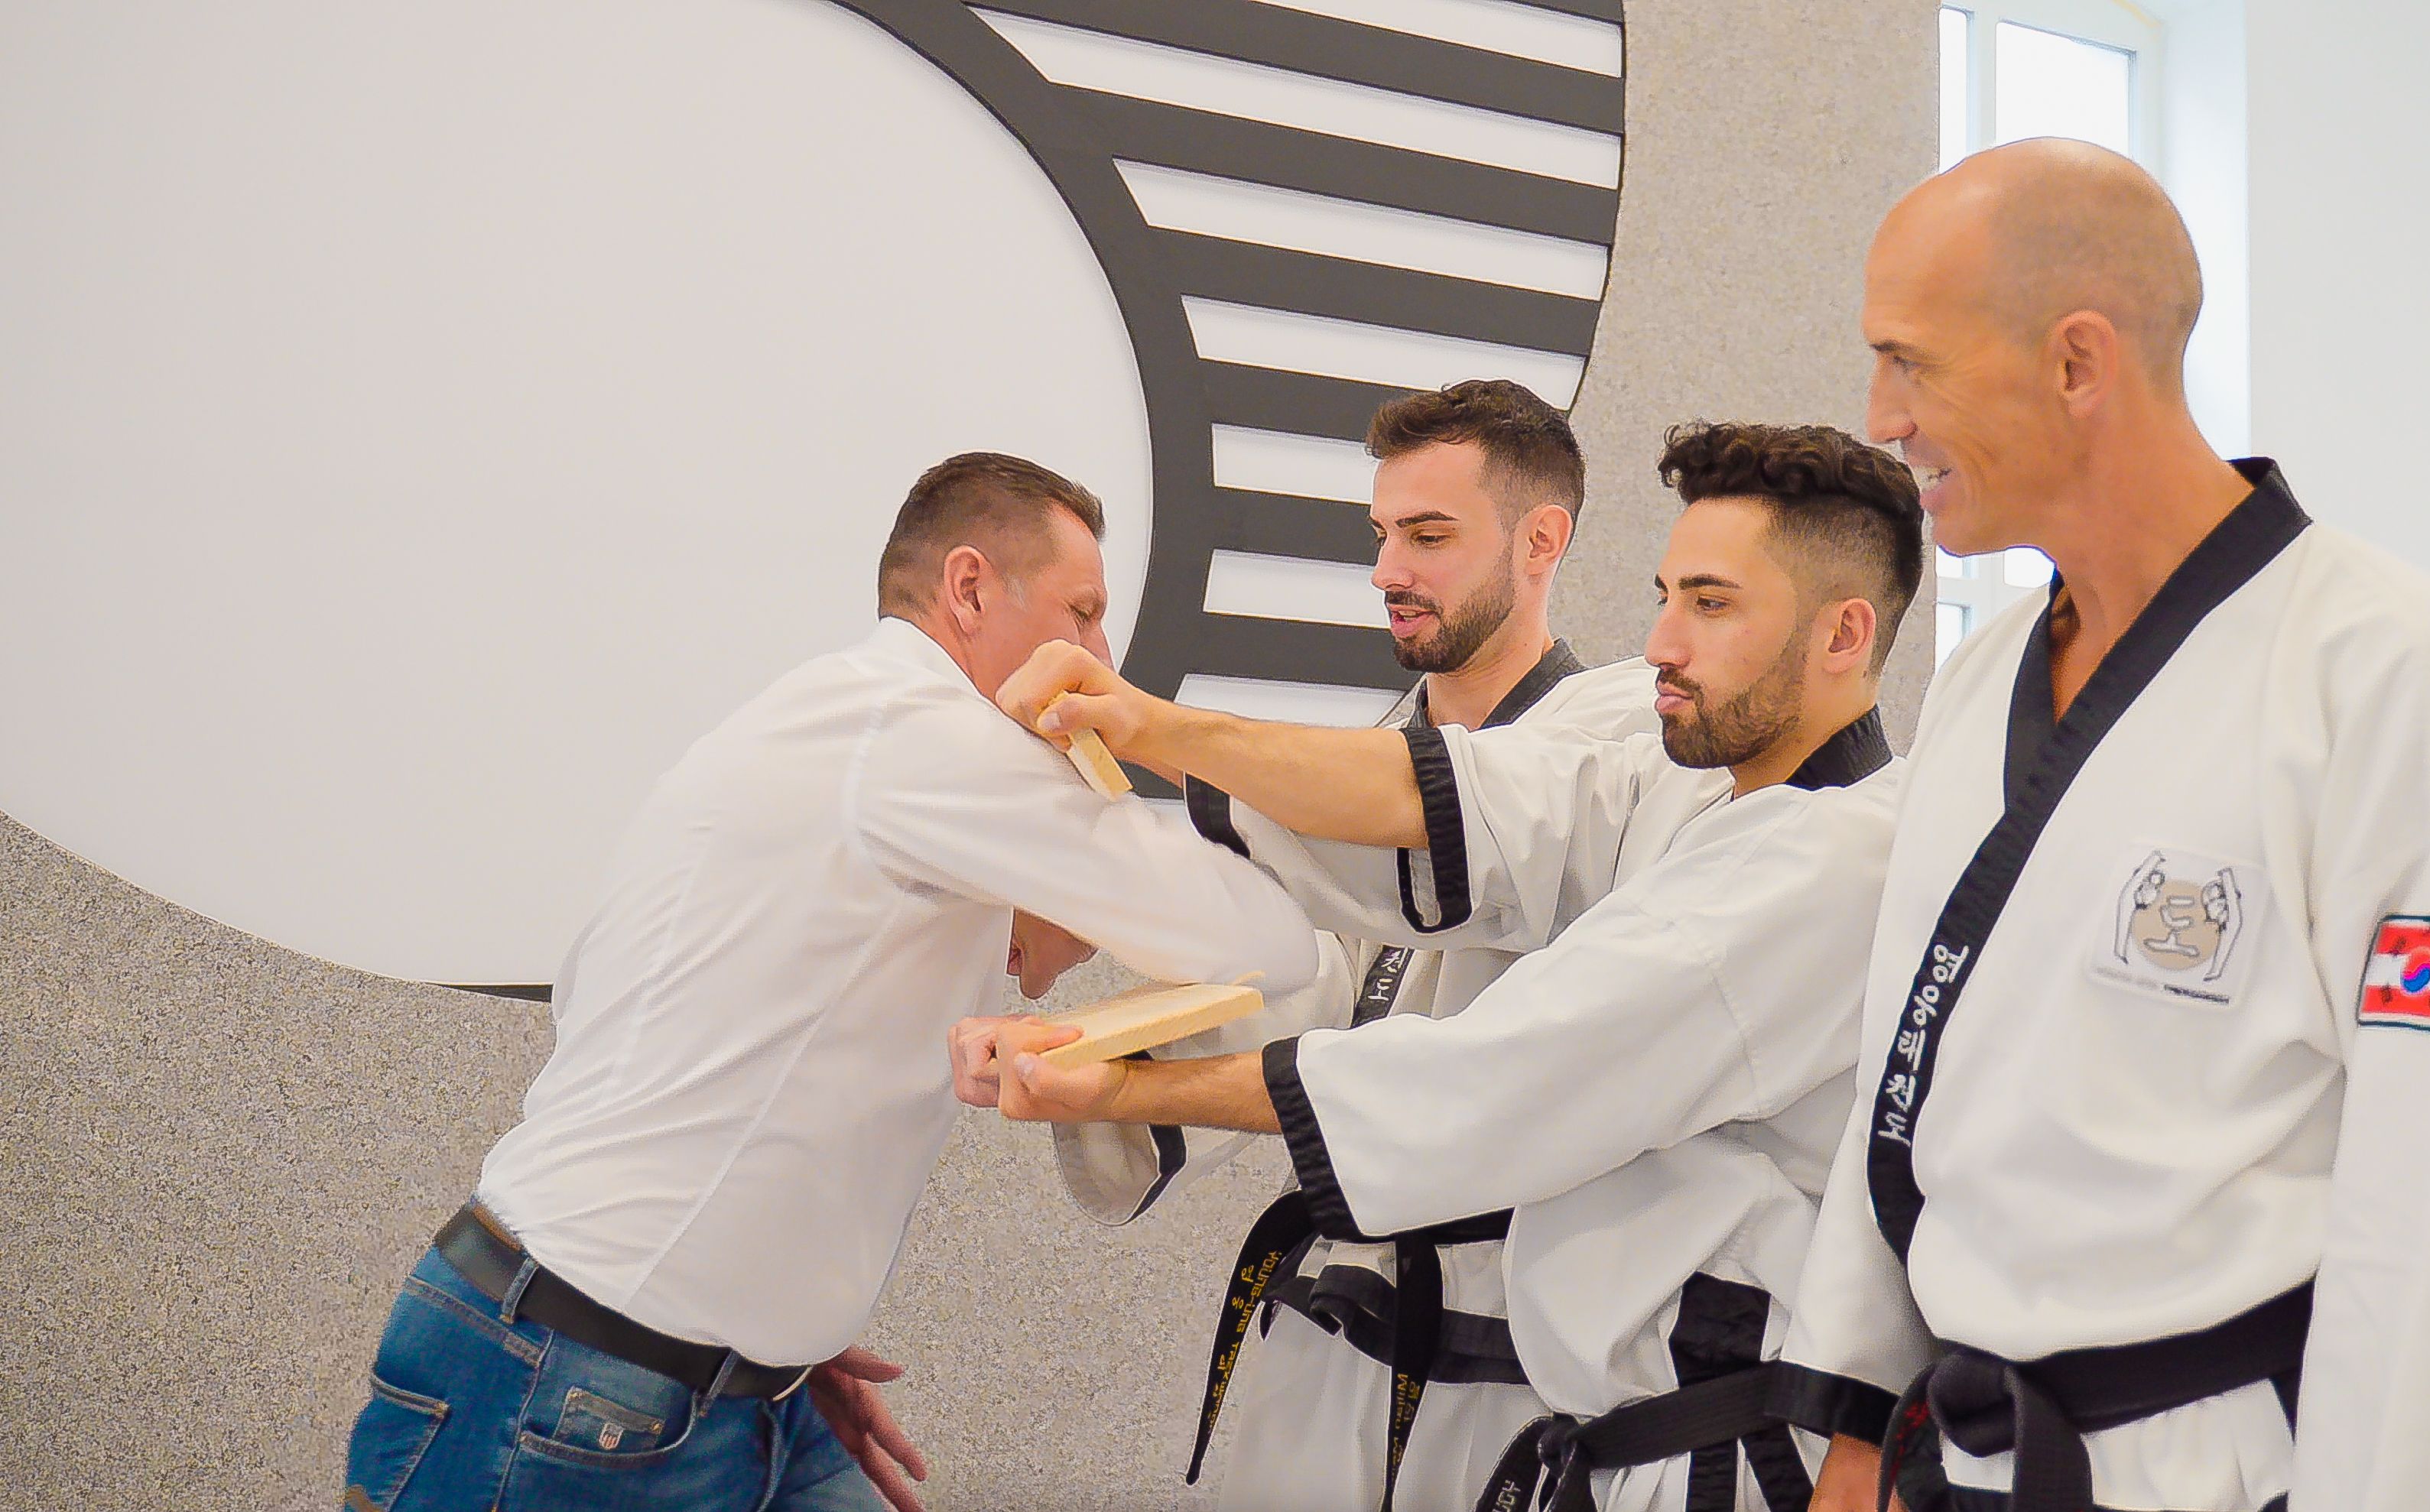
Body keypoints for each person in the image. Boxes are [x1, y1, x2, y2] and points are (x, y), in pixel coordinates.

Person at [1785, 139, 2430, 1512]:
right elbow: (1907, 1075)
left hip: (2211, 1471)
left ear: (2077, 362)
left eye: (1909, 361)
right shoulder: (1984, 675)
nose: (1881, 414)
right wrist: (1856, 1423)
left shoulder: (2406, 678)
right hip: (1964, 1458)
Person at [341, 453, 1320, 1512]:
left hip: (719, 1385)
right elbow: (1271, 939)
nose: (1099, 659)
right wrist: (1153, 743)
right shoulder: (922, 733)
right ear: (969, 587)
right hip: (570, 1383)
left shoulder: (831, 725)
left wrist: (770, 1319)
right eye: (1080, 613)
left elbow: (629, 1015)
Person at [974, 422, 1924, 1511]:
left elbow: (1498, 1075)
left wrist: (1121, 1087)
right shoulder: (1690, 785)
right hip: (1575, 1410)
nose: (1661, 640)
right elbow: (1455, 807)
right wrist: (1151, 730)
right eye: (1666, 596)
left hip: (1713, 1444)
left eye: (1710, 605)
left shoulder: (1821, 867)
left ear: (1844, 632)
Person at [954, 379, 1655, 1512]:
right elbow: (1286, 984)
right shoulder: (1338, 787)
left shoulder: (1621, 744)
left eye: (1429, 536)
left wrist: (1146, 724)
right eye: (1382, 535)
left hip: (1514, 1350)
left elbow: (1454, 838)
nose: (1388, 570)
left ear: (1541, 542)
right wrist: (1086, 1055)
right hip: (1331, 1318)